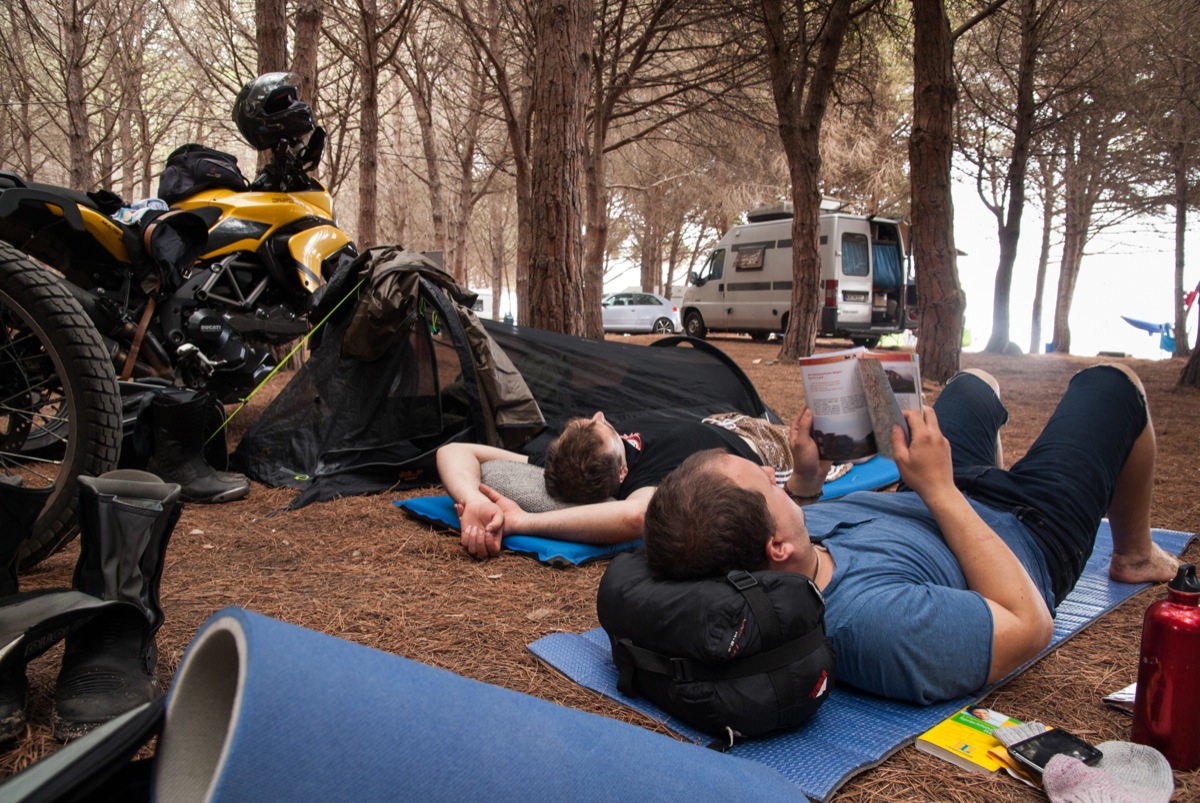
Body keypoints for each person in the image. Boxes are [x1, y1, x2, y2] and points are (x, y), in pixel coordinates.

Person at [641, 365, 1181, 704]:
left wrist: (805, 481)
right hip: (1027, 530)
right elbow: (1029, 625)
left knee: (974, 385)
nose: (768, 469)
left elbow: (784, 524)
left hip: (937, 492)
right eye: (764, 481)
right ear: (776, 546)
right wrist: (941, 489)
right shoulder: (874, 622)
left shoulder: (779, 556)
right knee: (1114, 384)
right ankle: (1134, 555)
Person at [436, 409, 830, 559]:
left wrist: (473, 499)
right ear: (621, 475)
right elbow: (635, 517)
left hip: (718, 420)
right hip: (760, 445)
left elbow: (455, 450)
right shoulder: (649, 478)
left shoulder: (566, 460)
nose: (602, 416)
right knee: (835, 439)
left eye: (595, 422)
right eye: (606, 427)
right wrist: (521, 522)